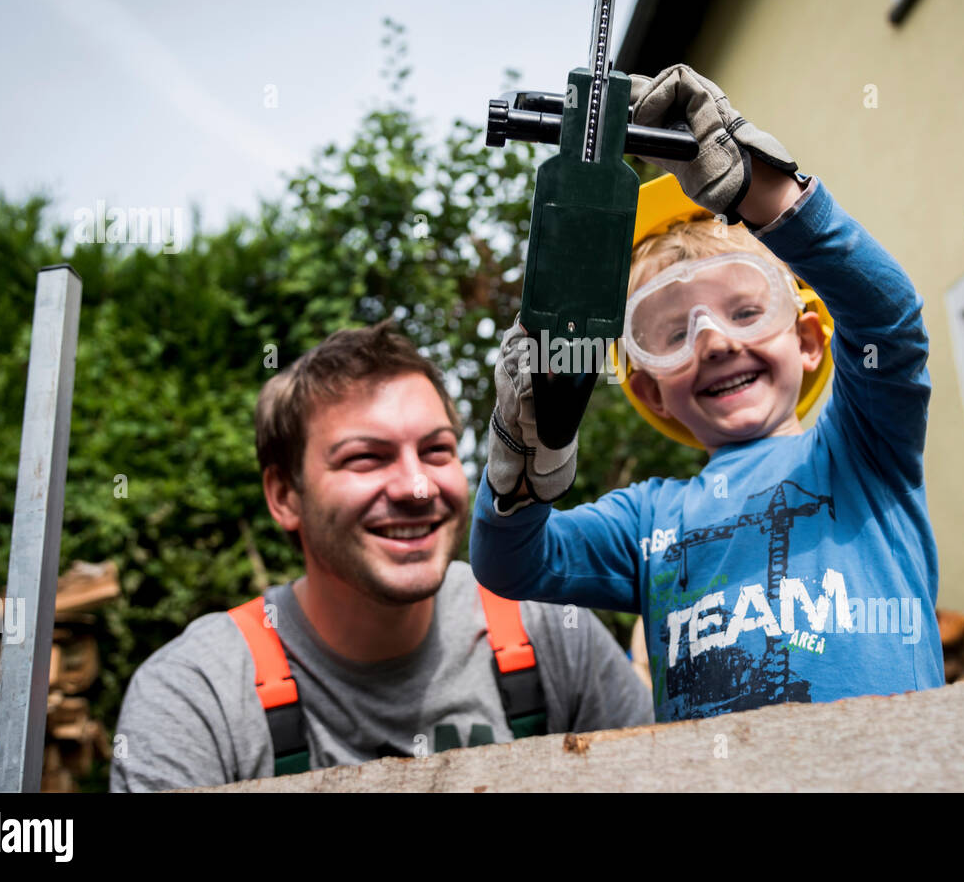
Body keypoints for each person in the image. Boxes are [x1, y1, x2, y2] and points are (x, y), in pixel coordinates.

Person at [470, 64, 943, 722]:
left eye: (747, 311)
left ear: (808, 340)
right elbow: (513, 563)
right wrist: (521, 460)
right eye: (673, 331)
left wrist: (764, 189)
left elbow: (890, 324)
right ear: (651, 390)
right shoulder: (649, 521)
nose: (714, 342)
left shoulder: (863, 453)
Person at [110, 320, 651, 792]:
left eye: (437, 451)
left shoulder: (547, 630)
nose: (417, 487)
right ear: (283, 496)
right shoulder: (199, 695)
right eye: (366, 458)